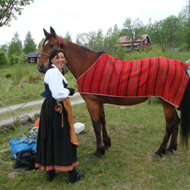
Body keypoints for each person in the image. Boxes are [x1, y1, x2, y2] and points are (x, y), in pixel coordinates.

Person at [35, 48, 84, 183]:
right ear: (51, 60)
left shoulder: (55, 72)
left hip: (51, 107)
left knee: (50, 136)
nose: (61, 60)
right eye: (57, 57)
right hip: (56, 108)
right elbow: (58, 93)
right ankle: (73, 175)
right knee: (63, 138)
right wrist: (69, 91)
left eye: (62, 57)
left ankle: (50, 172)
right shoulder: (52, 72)